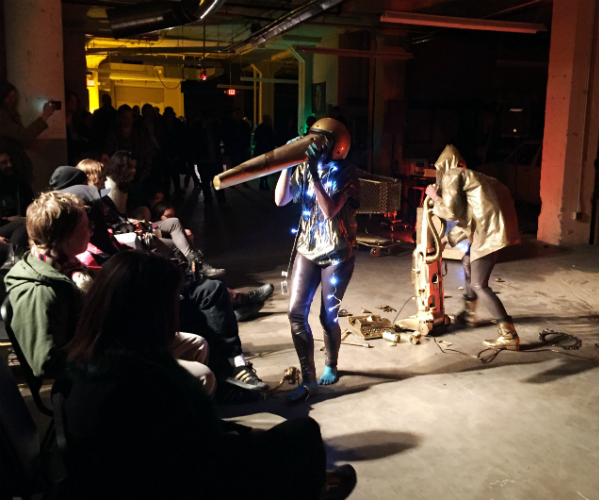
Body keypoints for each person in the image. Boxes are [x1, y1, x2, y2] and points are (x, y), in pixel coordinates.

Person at [59, 250, 357, 500]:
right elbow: (201, 455)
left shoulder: (94, 357)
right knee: (303, 432)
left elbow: (184, 436)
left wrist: (238, 431)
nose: (177, 307)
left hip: (130, 475)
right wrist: (249, 442)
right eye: (173, 300)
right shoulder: (146, 384)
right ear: (149, 313)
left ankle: (314, 479)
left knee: (280, 437)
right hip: (172, 484)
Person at [47, 166, 270, 393]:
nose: (94, 225)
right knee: (209, 295)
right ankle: (227, 367)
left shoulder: (87, 248)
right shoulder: (79, 260)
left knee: (208, 291)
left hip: (144, 303)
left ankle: (232, 364)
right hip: (138, 318)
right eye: (88, 222)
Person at [3, 192, 215, 395]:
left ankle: (180, 417)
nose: (91, 231)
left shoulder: (70, 267)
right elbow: (46, 363)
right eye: (86, 226)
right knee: (202, 376)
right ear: (66, 236)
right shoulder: (39, 289)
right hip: (94, 375)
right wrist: (118, 359)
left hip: (109, 348)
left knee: (196, 345)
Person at [275, 118, 360, 402]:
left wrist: (312, 172)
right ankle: (307, 375)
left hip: (338, 251)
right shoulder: (303, 167)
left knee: (327, 315)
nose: (314, 146)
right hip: (307, 247)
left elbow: (328, 211)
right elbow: (280, 200)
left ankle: (331, 364)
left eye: (321, 141)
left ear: (336, 146)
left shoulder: (346, 171)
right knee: (295, 312)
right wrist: (287, 165)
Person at [424, 145, 522, 350]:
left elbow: (450, 212)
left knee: (479, 284)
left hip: (488, 232)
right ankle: (468, 314)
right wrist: (447, 239)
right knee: (467, 261)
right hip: (492, 228)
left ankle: (509, 334)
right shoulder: (474, 177)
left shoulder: (452, 174)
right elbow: (467, 216)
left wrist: (434, 196)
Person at [0, 81, 59, 187]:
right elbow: (23, 136)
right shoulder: (3, 117)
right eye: (8, 97)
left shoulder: (10, 114)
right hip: (11, 165)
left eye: (14, 96)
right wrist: (44, 116)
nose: (12, 100)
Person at [0, 150, 32, 258]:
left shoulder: (18, 185)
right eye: (4, 163)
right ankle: (13, 256)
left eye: (10, 161)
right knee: (22, 222)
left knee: (24, 222)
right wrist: (8, 219)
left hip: (16, 228)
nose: (9, 165)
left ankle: (12, 257)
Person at [189, 110, 225, 204]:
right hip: (206, 159)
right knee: (207, 182)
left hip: (210, 159)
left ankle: (217, 199)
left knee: (212, 181)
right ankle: (212, 199)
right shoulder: (199, 128)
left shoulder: (213, 127)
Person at [253, 114, 275, 191]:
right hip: (262, 150)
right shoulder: (262, 128)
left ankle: (264, 181)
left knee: (266, 167)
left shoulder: (267, 128)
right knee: (263, 167)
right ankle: (263, 181)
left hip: (266, 150)